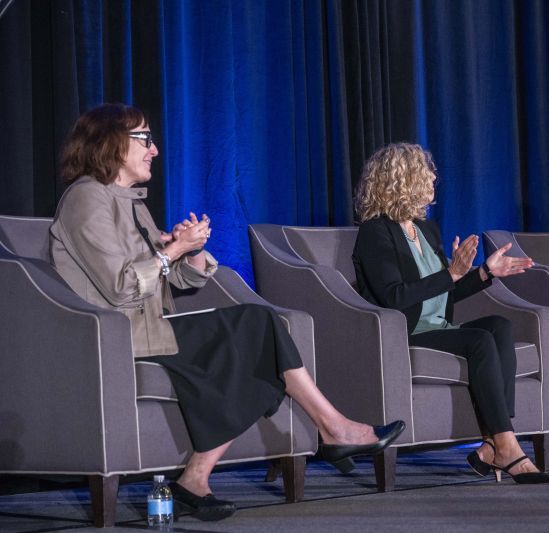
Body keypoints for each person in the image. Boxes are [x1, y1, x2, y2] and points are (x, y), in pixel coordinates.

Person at [49, 103, 405, 521]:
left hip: (151, 328)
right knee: (259, 324)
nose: (155, 150)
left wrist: (192, 255)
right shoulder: (87, 198)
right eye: (144, 139)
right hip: (114, 337)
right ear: (109, 142)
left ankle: (198, 479)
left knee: (263, 339)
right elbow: (120, 286)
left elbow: (175, 282)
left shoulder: (128, 202)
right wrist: (172, 251)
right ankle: (333, 429)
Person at [352, 143, 549, 484]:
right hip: (404, 330)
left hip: (437, 325)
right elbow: (394, 298)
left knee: (499, 326)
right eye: (425, 171)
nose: (434, 177)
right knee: (479, 340)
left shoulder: (425, 230)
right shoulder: (375, 232)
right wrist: (450, 274)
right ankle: (506, 446)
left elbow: (445, 289)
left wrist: (484, 273)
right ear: (401, 179)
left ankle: (494, 443)